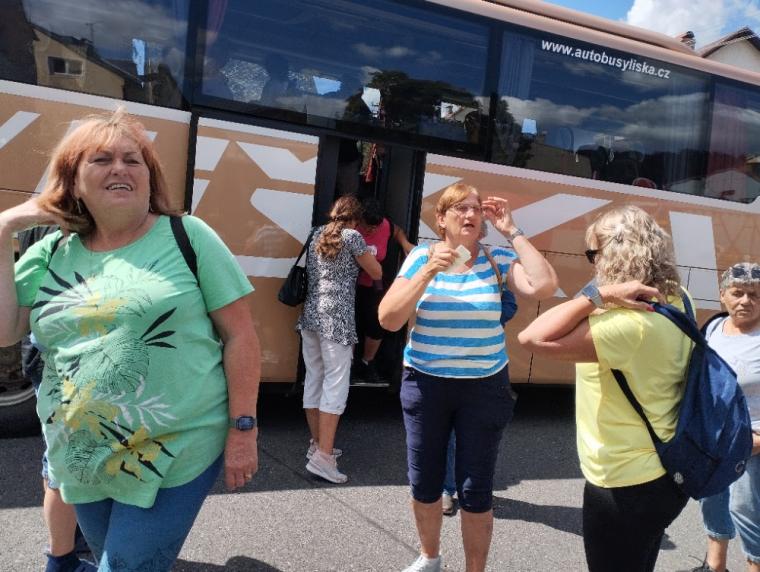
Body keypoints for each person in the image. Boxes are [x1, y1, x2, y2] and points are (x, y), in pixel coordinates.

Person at [0, 108, 260, 572]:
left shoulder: (188, 235)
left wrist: (244, 429)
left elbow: (240, 334)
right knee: (113, 559)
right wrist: (3, 231)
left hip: (173, 448)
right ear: (72, 181)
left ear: (148, 176)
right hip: (81, 453)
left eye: (132, 160)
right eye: (101, 159)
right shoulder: (51, 251)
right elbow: (6, 331)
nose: (119, 168)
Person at [378, 183, 558, 572]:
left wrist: (512, 230)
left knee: (476, 489)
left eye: (476, 208)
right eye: (459, 207)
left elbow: (544, 286)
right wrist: (428, 270)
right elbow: (388, 319)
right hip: (426, 384)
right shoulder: (422, 258)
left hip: (484, 387)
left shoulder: (498, 258)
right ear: (441, 219)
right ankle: (430, 557)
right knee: (424, 482)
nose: (470, 214)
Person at [518, 204, 692, 572]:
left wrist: (598, 294)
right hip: (665, 469)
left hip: (623, 480)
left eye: (593, 253)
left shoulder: (628, 325)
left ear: (613, 254)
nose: (593, 263)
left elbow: (531, 338)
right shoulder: (679, 298)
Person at [19, 225, 92, 572]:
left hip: (43, 349)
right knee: (65, 458)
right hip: (65, 354)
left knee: (59, 455)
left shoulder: (39, 224)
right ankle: (62, 555)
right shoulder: (69, 230)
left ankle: (65, 548)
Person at [681, 262, 760, 572]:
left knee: (746, 508)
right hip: (715, 437)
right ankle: (716, 567)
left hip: (754, 440)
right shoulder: (714, 327)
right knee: (712, 499)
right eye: (737, 293)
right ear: (723, 295)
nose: (745, 301)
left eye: (755, 294)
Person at [297, 195, 382, 484]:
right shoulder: (353, 236)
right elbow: (376, 271)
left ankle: (317, 445)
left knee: (314, 379)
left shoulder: (316, 233)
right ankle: (324, 458)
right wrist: (369, 251)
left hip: (311, 316)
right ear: (355, 218)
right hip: (337, 320)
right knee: (335, 385)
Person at [441, 285, 518, 517]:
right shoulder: (443, 271)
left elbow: (510, 305)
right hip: (444, 368)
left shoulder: (495, 270)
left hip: (483, 371)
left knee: (476, 438)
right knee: (446, 436)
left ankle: (470, 492)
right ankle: (446, 490)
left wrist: (481, 318)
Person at [354, 197, 414, 382]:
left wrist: (405, 244)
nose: (372, 231)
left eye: (375, 227)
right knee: (354, 322)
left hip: (375, 284)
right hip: (351, 285)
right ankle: (349, 364)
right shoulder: (352, 228)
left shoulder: (386, 226)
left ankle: (367, 363)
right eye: (368, 227)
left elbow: (397, 231)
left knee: (376, 324)